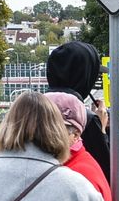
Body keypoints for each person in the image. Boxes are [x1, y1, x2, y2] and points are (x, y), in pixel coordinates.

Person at [45, 41, 110, 179]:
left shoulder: (35, 109)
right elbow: (108, 172)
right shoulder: (87, 120)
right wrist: (102, 130)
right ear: (84, 76)